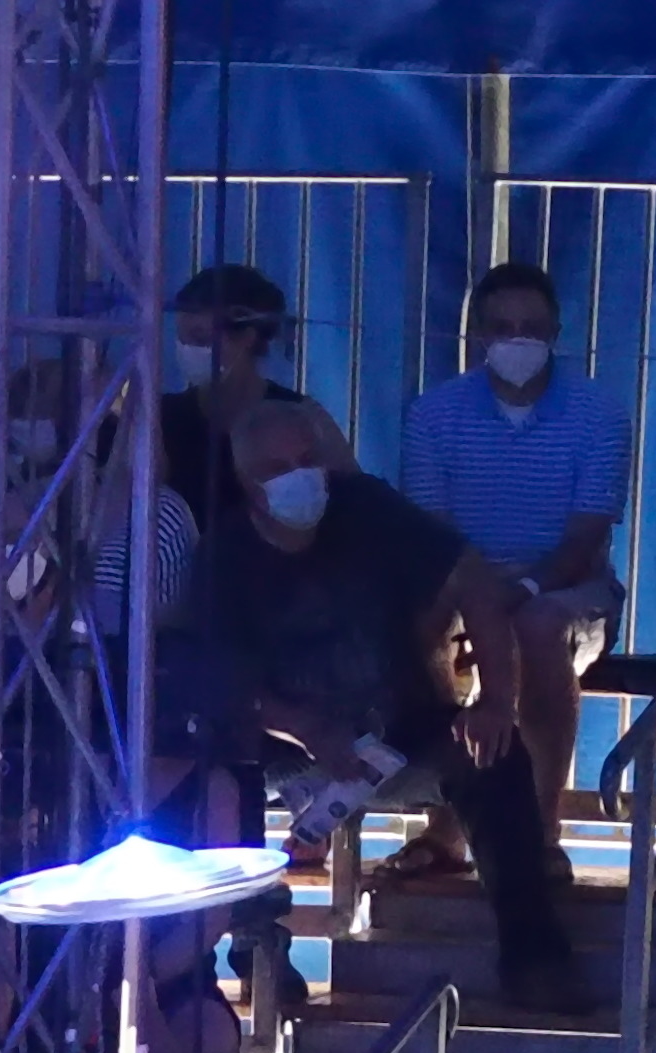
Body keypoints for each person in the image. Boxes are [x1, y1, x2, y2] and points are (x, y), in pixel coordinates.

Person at [206, 399, 574, 1007]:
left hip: (402, 732)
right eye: (277, 468)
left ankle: (535, 954)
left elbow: (475, 584)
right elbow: (219, 678)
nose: (299, 476)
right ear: (247, 482)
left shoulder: (367, 508)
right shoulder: (226, 555)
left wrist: (497, 701)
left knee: (494, 757)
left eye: (306, 459)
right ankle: (258, 949)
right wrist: (305, 728)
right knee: (221, 774)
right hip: (286, 751)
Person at [392, 260, 630, 880]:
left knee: (539, 625)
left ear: (556, 332)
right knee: (418, 634)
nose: (517, 339)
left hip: (567, 587)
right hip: (460, 582)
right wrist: (478, 597)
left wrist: (517, 590)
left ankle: (542, 831)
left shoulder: (600, 415)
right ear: (476, 335)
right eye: (502, 327)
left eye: (531, 327)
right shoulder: (433, 415)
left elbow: (585, 536)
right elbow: (430, 534)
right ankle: (447, 824)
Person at [156, 263, 301, 528]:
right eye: (181, 339)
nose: (187, 350)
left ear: (247, 337)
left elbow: (356, 502)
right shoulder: (161, 418)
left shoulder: (301, 417)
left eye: (199, 338)